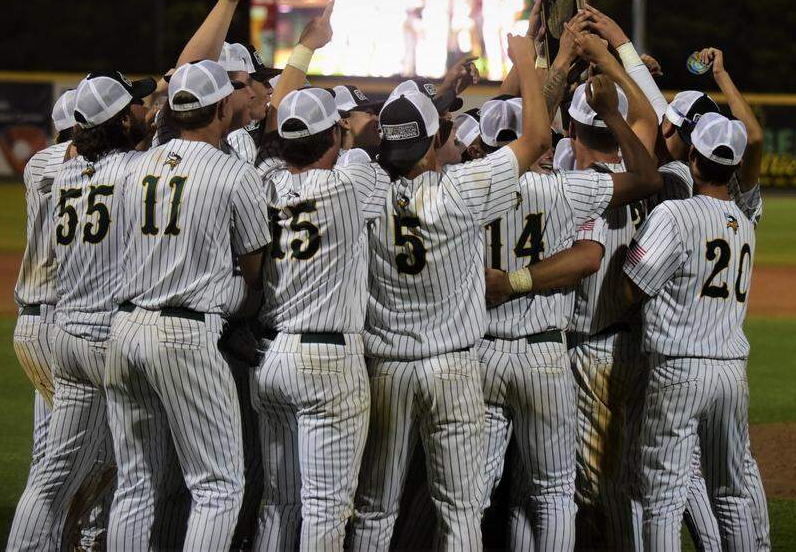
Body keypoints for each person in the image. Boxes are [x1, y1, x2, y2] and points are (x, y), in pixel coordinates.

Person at [349, 34, 553, 552]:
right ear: (437, 135)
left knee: (375, 509)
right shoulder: (461, 189)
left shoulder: (365, 188)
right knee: (460, 511)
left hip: (388, 369)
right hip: (453, 367)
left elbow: (394, 140)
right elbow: (535, 140)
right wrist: (526, 64)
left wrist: (436, 101)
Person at [475, 65, 662, 552]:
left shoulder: (461, 190)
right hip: (548, 354)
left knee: (483, 494)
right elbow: (640, 183)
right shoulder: (564, 189)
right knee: (557, 493)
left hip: (482, 357)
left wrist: (549, 67)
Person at [103, 59, 271, 552]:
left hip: (125, 329)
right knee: (218, 487)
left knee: (135, 485)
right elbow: (256, 272)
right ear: (222, 106)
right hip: (185, 333)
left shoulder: (133, 167)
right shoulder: (233, 173)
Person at [6, 71, 155, 551]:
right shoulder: (131, 170)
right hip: (100, 337)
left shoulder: (62, 171)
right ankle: (88, 539)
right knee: (126, 464)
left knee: (53, 470)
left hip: (63, 330)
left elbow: (75, 151)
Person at [252, 84, 391, 552]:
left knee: (278, 501)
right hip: (327, 360)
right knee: (326, 509)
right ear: (333, 133)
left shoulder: (264, 185)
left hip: (270, 356)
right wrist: (350, 139)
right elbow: (365, 161)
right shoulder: (349, 185)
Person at [620, 112, 764, 552]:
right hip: (732, 374)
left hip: (680, 368)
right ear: (736, 166)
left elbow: (631, 288)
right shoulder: (744, 223)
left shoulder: (674, 213)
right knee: (732, 494)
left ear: (694, 157)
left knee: (662, 498)